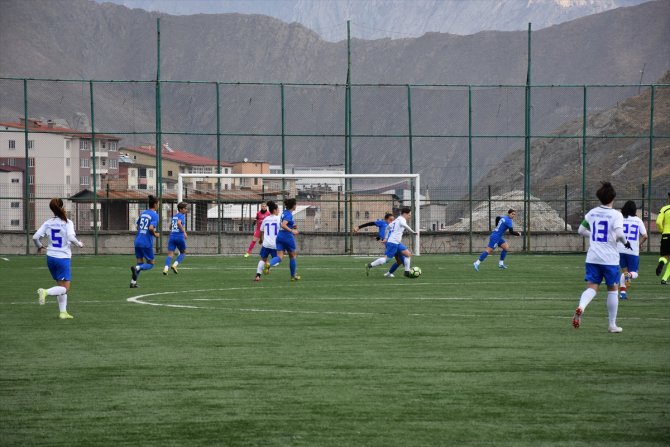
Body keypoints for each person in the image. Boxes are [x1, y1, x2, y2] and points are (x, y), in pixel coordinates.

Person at [572, 182, 632, 333]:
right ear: (613, 198)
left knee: (592, 286)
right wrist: (626, 242)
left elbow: (580, 230)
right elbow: (619, 234)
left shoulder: (592, 212)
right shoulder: (616, 215)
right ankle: (612, 325)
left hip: (592, 257)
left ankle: (581, 307)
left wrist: (594, 236)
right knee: (613, 289)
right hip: (609, 258)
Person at [32, 198, 84, 319]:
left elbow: (35, 237)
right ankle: (45, 292)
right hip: (62, 258)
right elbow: (71, 237)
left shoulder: (48, 222)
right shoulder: (67, 222)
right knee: (64, 289)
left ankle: (63, 312)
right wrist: (79, 244)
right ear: (62, 207)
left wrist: (40, 246)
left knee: (60, 286)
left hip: (50, 258)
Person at [365, 207, 416, 278]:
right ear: (405, 214)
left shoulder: (397, 219)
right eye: (409, 215)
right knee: (387, 259)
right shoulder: (402, 219)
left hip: (396, 242)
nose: (409, 217)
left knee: (408, 254)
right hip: (393, 243)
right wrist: (412, 231)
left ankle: (406, 272)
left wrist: (385, 238)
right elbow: (403, 224)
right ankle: (370, 265)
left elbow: (387, 228)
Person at [354, 213, 403, 278]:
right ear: (386, 219)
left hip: (393, 243)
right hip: (391, 243)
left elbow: (385, 233)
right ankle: (369, 265)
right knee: (392, 259)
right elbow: (370, 223)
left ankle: (388, 273)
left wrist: (379, 237)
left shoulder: (391, 225)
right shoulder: (382, 222)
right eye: (390, 220)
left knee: (399, 260)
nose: (392, 221)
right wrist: (359, 227)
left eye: (393, 220)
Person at [617, 200, 647, 299]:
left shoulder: (620, 219)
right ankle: (625, 283)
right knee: (633, 273)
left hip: (620, 249)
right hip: (632, 250)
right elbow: (645, 236)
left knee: (625, 273)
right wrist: (639, 244)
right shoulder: (638, 220)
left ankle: (623, 293)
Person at [267, 198, 301, 281]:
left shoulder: (284, 212)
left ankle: (269, 264)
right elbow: (283, 225)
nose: (296, 206)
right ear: (293, 205)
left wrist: (292, 226)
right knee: (292, 256)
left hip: (280, 236)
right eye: (295, 204)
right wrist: (292, 230)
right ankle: (293, 276)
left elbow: (284, 224)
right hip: (287, 237)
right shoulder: (289, 214)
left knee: (280, 256)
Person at [130, 195, 160, 288]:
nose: (158, 205)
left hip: (138, 240)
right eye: (158, 204)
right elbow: (151, 228)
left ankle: (133, 283)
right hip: (146, 242)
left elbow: (138, 225)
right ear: (155, 204)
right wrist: (155, 234)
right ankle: (137, 268)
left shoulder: (143, 213)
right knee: (151, 264)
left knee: (140, 262)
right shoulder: (155, 215)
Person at [254, 201, 280, 282]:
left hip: (266, 243)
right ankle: (268, 266)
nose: (279, 211)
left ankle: (258, 276)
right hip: (275, 244)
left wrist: (261, 239)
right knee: (278, 259)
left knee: (262, 259)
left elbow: (261, 230)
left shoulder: (265, 219)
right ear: (275, 210)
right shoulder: (279, 219)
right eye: (278, 209)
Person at [163, 201, 188, 275]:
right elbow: (178, 223)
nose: (186, 210)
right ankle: (174, 265)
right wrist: (184, 232)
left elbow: (170, 226)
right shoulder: (181, 216)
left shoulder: (175, 216)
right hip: (179, 236)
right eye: (185, 208)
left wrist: (173, 229)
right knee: (183, 252)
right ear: (180, 209)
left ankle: (165, 269)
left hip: (172, 236)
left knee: (170, 254)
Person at [656, 192, 670, 285]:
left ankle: (662, 262)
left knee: (665, 256)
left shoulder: (664, 209)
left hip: (666, 235)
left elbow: (658, 222)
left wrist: (662, 230)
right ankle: (664, 279)